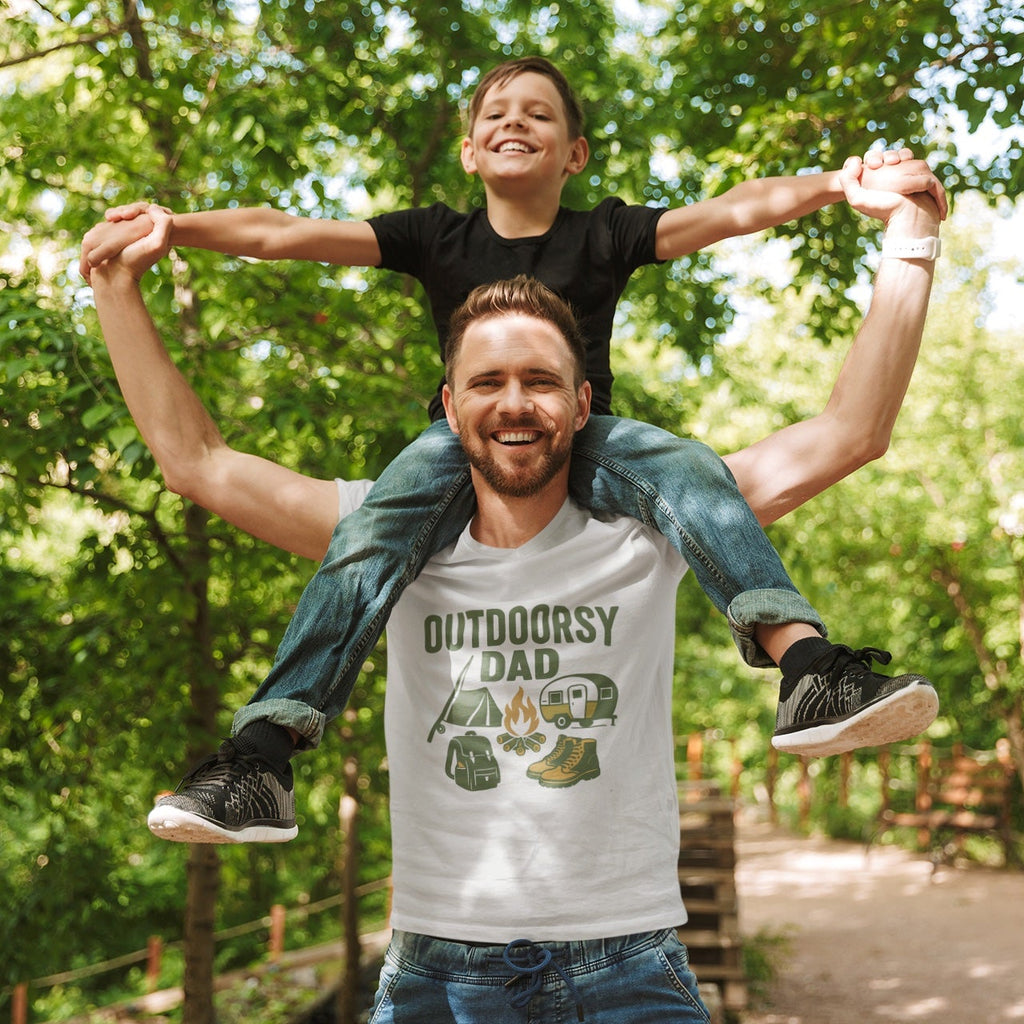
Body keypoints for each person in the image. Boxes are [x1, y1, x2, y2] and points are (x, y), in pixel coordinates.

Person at [90, 179, 942, 1022]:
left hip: (629, 965)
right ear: (450, 408)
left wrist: (912, 234)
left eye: (539, 381)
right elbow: (195, 462)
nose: (513, 402)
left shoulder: (662, 523)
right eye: (488, 381)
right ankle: (258, 759)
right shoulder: (378, 537)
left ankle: (811, 673)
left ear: (581, 407)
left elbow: (850, 431)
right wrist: (115, 286)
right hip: (436, 973)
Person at [81, 57, 946, 844]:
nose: (515, 122)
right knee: (372, 533)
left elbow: (727, 214)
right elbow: (282, 235)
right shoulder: (433, 237)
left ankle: (807, 667)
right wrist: (172, 227)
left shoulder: (603, 232)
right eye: (496, 112)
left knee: (686, 467)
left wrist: (844, 185)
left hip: (593, 442)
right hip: (447, 454)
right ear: (467, 151)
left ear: (574, 153)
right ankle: (262, 753)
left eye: (539, 113)